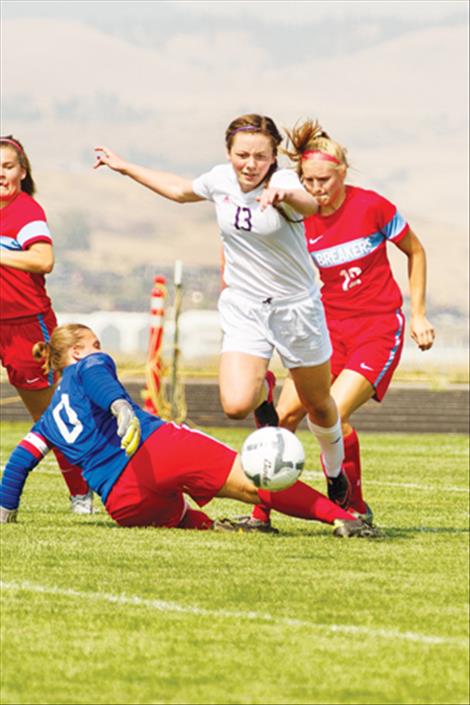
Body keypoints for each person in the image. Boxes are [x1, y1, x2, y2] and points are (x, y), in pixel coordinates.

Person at [93, 113, 352, 530]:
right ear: (229, 154)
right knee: (235, 405)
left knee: (319, 404)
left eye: (260, 156)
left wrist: (283, 198)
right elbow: (179, 190)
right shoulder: (220, 180)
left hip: (295, 308)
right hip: (246, 306)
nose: (250, 164)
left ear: (272, 157)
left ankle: (336, 475)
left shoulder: (283, 183)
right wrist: (126, 167)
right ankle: (263, 389)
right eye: (241, 155)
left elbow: (312, 203)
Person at [0, 323, 380, 538]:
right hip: (153, 450)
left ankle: (217, 526)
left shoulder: (49, 418)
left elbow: (19, 463)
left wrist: (6, 511)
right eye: (94, 344)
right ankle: (341, 517)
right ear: (77, 353)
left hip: (123, 502)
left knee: (185, 519)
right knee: (251, 480)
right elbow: (100, 378)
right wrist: (119, 406)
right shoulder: (89, 364)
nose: (100, 350)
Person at [247, 119, 435, 529]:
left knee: (328, 415)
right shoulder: (299, 217)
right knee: (282, 422)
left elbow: (415, 251)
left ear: (343, 173)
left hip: (377, 329)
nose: (316, 189)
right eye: (308, 181)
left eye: (324, 180)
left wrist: (418, 313)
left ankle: (356, 510)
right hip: (326, 331)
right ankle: (261, 514)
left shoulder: (372, 206)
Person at [0, 135, 93, 514]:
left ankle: (82, 492)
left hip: (25, 326)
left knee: (53, 416)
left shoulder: (25, 211)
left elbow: (43, 259)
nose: (0, 174)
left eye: (7, 166)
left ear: (22, 171)